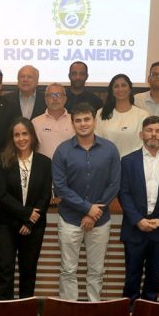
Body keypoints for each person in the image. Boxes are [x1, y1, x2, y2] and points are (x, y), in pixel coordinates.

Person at [52, 103, 121, 302]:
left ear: (94, 121)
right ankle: (69, 310)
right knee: (68, 270)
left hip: (100, 220)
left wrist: (94, 212)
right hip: (69, 219)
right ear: (72, 123)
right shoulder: (62, 151)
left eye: (87, 119)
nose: (83, 124)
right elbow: (60, 187)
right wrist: (87, 208)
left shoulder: (109, 149)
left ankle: (93, 310)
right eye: (78, 120)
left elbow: (114, 184)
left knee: (97, 270)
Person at [118, 116, 159, 303]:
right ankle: (129, 315)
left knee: (154, 278)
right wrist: (138, 220)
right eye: (149, 130)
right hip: (135, 228)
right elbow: (123, 193)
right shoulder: (128, 161)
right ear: (141, 134)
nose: (153, 134)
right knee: (132, 276)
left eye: (158, 131)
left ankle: (148, 315)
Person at [0, 118, 51, 299]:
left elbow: (44, 196)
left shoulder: (44, 162)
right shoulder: (4, 160)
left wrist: (30, 221)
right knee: (5, 269)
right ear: (12, 138)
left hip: (34, 226)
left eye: (24, 133)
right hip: (6, 224)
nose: (21, 138)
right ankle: (4, 312)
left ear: (32, 136)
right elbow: (2, 194)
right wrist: (26, 214)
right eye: (16, 134)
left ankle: (24, 312)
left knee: (28, 270)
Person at [96, 73, 148, 157]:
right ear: (112, 91)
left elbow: (145, 142)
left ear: (130, 89)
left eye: (124, 85)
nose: (120, 89)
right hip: (108, 163)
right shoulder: (101, 113)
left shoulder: (142, 115)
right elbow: (97, 140)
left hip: (133, 164)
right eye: (116, 86)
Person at [32, 83, 74, 159]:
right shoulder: (35, 122)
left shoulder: (74, 121)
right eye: (51, 95)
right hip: (44, 169)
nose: (55, 99)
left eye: (58, 95)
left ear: (65, 99)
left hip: (69, 168)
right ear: (45, 99)